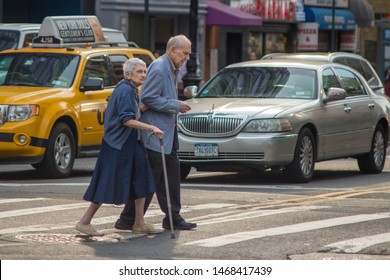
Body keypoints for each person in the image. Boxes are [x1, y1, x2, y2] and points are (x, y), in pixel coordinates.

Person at [115, 34, 197, 231]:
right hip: (155, 134)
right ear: (172, 50)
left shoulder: (171, 67)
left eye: (188, 54)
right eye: (185, 53)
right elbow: (149, 97)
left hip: (167, 132)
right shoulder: (160, 67)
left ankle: (172, 217)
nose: (187, 57)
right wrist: (175, 104)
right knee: (151, 178)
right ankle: (128, 219)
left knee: (170, 175)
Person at [75, 58, 164, 236]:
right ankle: (84, 222)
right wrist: (152, 128)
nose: (143, 75)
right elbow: (127, 120)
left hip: (130, 142)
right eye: (139, 72)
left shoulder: (130, 89)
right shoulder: (124, 90)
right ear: (128, 74)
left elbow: (134, 111)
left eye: (144, 71)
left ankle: (139, 223)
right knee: (106, 182)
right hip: (118, 145)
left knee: (143, 179)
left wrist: (157, 103)